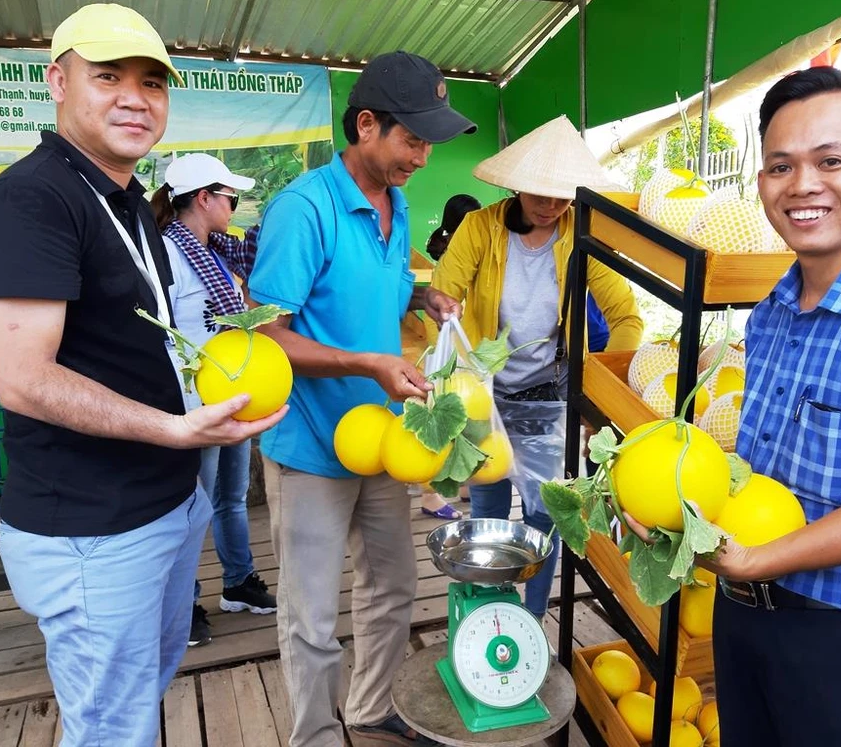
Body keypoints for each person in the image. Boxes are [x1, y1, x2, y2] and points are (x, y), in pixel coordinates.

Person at [0, 5, 285, 746]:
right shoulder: (27, 200)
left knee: (145, 690)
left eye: (151, 81)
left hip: (167, 502)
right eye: (107, 76)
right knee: (111, 727)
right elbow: (22, 380)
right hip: (90, 530)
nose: (134, 97)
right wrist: (175, 428)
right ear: (57, 82)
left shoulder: (130, 203)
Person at [626, 67, 841, 746]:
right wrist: (677, 511)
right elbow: (757, 472)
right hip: (745, 613)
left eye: (831, 161)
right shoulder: (772, 313)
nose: (803, 184)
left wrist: (757, 560)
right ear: (761, 185)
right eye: (781, 166)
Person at [249, 51, 474, 746]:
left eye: (430, 141)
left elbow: (373, 282)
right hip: (312, 445)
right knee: (311, 615)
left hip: (380, 438)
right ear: (368, 124)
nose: (423, 156)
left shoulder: (397, 205)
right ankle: (315, 735)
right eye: (412, 139)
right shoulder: (303, 209)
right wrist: (366, 362)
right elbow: (263, 337)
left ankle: (371, 709)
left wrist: (419, 292)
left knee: (393, 588)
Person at [432, 115, 644, 618]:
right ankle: (487, 612)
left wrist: (602, 385)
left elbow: (626, 317)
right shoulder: (480, 228)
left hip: (547, 394)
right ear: (517, 187)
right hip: (484, 394)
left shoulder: (582, 238)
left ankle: (528, 619)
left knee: (543, 515)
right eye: (539, 194)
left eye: (562, 195)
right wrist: (444, 307)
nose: (551, 205)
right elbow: (444, 291)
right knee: (486, 510)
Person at [150, 153, 278, 649]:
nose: (235, 207)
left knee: (231, 497)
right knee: (193, 507)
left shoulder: (219, 253)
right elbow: (163, 334)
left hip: (232, 395)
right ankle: (186, 600)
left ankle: (238, 583)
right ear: (203, 198)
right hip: (193, 403)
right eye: (231, 198)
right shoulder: (166, 253)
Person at [420, 192, 481, 520]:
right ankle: (430, 494)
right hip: (447, 353)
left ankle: (466, 481)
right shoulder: (451, 256)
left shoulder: (467, 249)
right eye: (474, 218)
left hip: (462, 350)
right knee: (442, 423)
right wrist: (443, 363)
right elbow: (439, 315)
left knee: (466, 420)